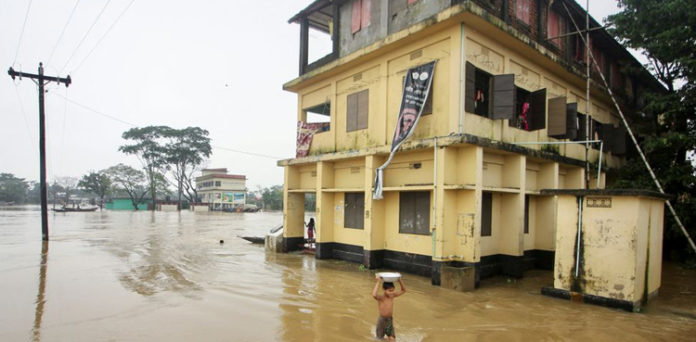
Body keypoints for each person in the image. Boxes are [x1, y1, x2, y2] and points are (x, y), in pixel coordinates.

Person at [372, 275, 406, 341]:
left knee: (393, 339)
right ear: (384, 290)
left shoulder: (392, 295)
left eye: (393, 290)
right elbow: (374, 295)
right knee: (379, 339)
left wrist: (399, 280)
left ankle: (387, 338)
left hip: (389, 320)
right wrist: (378, 282)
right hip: (382, 321)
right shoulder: (381, 298)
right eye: (389, 290)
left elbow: (403, 290)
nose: (392, 292)